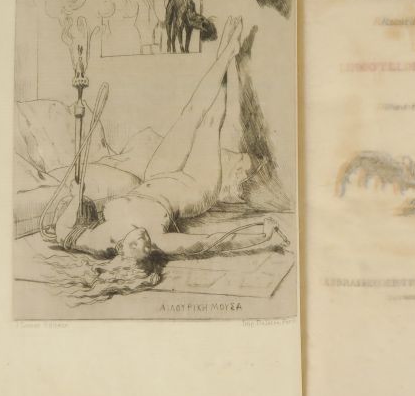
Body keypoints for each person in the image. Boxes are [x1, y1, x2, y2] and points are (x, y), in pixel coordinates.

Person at [45, 16, 289, 300]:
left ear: (121, 252)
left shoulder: (99, 241)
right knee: (210, 122)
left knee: (190, 112)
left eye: (138, 247)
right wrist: (263, 236)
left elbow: (63, 232)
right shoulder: (162, 242)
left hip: (157, 174)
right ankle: (227, 58)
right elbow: (212, 243)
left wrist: (75, 198)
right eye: (149, 250)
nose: (145, 242)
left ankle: (224, 54)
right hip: (193, 188)